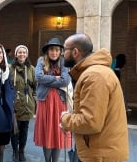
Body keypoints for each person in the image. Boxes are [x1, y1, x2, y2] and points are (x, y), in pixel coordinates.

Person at [60, 33, 129, 162]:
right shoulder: (94, 72)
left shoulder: (94, 76)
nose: (62, 54)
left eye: (65, 50)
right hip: (99, 151)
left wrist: (65, 119)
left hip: (100, 154)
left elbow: (90, 122)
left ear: (75, 52)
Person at [33, 38, 71, 162]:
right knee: (46, 132)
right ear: (47, 51)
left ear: (60, 51)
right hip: (44, 101)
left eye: (56, 50)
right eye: (51, 50)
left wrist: (47, 79)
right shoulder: (41, 60)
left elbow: (65, 80)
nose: (54, 52)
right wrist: (56, 78)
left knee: (58, 132)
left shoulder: (64, 62)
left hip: (60, 102)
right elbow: (38, 77)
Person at [9, 45, 37, 162]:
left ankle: (22, 151)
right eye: (19, 52)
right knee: (14, 130)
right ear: (16, 54)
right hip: (14, 104)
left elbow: (36, 86)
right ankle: (15, 150)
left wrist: (34, 100)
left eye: (24, 53)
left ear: (26, 55)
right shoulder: (10, 69)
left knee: (24, 130)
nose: (22, 55)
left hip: (27, 104)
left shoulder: (32, 69)